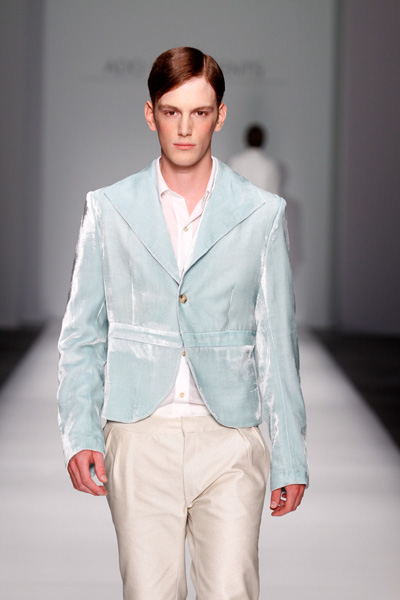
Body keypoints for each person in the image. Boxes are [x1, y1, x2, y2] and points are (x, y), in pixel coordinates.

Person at [58, 47, 308, 600]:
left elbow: (276, 341)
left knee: (231, 592)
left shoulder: (261, 212)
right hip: (138, 437)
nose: (186, 128)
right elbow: (83, 333)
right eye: (172, 112)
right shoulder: (109, 208)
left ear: (221, 115)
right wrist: (80, 431)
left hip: (230, 438)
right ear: (151, 114)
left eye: (200, 112)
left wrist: (290, 453)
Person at [228, 124, 281, 194]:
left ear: (247, 139)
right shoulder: (270, 165)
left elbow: (229, 190)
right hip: (262, 201)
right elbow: (274, 193)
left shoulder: (234, 162)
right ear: (262, 140)